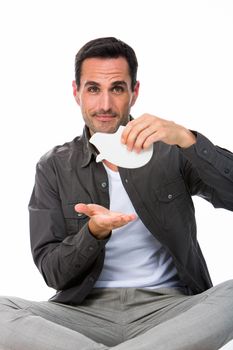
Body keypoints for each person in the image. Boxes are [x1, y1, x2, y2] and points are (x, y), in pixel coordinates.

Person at [0, 37, 233, 350]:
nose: (105, 105)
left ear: (134, 93)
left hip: (171, 312)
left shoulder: (171, 151)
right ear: (76, 93)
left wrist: (186, 138)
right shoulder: (54, 166)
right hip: (82, 316)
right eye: (94, 89)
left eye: (117, 89)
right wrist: (93, 233)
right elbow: (53, 272)